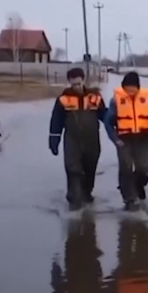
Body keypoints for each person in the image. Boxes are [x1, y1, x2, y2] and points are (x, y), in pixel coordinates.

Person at [105, 72, 148, 211]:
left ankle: (138, 187)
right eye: (127, 89)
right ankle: (129, 199)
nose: (130, 92)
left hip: (143, 138)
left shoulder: (147, 100)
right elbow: (108, 123)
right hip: (124, 140)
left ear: (138, 88)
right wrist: (115, 139)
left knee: (145, 168)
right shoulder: (115, 101)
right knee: (126, 169)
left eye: (132, 89)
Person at [49, 67, 108, 210]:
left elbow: (105, 116)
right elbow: (56, 121)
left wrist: (118, 126)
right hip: (72, 141)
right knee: (73, 169)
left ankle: (87, 193)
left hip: (92, 141)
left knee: (90, 169)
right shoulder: (63, 100)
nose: (77, 87)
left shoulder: (95, 98)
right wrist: (54, 140)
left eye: (79, 83)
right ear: (69, 82)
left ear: (83, 80)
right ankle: (74, 200)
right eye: (74, 84)